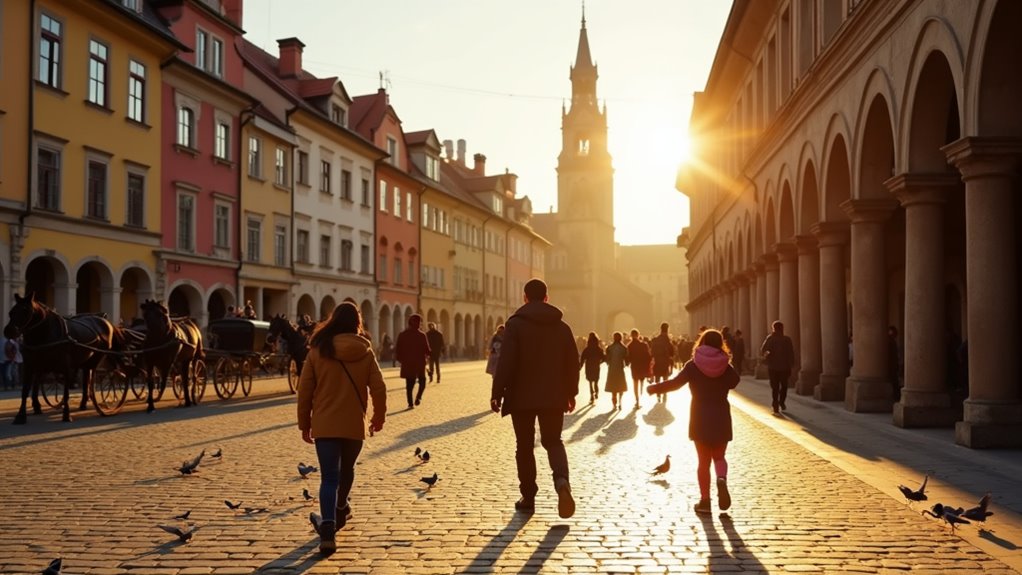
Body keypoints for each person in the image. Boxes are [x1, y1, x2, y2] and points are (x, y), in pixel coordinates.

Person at [296, 302, 387, 555]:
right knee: (346, 471)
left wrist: (305, 423)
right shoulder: (365, 351)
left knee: (329, 478)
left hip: (324, 424)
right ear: (357, 322)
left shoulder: (317, 349)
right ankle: (341, 508)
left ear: (333, 320)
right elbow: (378, 388)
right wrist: (378, 416)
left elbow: (305, 391)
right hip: (353, 425)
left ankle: (328, 527)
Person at [490, 278, 579, 518]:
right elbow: (573, 362)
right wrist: (571, 392)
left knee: (525, 446)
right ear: (547, 298)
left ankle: (528, 496)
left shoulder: (515, 325)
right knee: (553, 441)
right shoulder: (562, 327)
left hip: (521, 396)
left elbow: (506, 362)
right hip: (553, 395)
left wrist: (497, 393)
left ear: (525, 297)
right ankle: (561, 482)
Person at [647, 328, 740, 515]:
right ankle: (721, 478)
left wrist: (655, 388)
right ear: (720, 343)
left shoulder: (693, 365)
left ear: (702, 342)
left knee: (703, 462)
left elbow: (675, 383)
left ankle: (705, 502)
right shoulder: (725, 365)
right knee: (719, 457)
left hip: (700, 416)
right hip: (721, 415)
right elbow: (735, 381)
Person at [395, 314, 431, 409]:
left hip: (408, 363)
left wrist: (401, 360)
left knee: (409, 384)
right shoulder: (421, 335)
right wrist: (430, 354)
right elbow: (427, 350)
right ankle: (418, 397)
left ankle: (410, 404)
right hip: (419, 363)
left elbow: (398, 350)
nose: (419, 324)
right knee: (422, 381)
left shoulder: (402, 335)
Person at [760, 320, 795, 414]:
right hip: (785, 367)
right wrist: (792, 364)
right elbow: (791, 353)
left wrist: (767, 356)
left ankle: (775, 404)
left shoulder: (770, 339)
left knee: (775, 387)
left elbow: (763, 350)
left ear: (773, 328)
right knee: (784, 386)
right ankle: (782, 402)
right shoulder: (787, 339)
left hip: (773, 367)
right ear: (782, 328)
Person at [650, 322, 675, 403]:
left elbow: (652, 352)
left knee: (657, 377)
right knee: (665, 378)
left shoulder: (656, 339)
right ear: (667, 329)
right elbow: (672, 353)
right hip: (665, 361)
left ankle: (658, 393)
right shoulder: (668, 340)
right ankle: (664, 392)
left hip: (657, 361)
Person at [626, 329, 651, 409]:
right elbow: (648, 356)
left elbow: (628, 358)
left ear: (631, 335)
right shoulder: (644, 345)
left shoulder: (629, 346)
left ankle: (637, 400)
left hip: (634, 366)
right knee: (641, 380)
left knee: (635, 383)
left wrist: (627, 363)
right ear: (638, 335)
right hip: (642, 366)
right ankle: (641, 394)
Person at [579, 332, 606, 404]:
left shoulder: (587, 349)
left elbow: (583, 357)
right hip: (596, 365)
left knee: (590, 381)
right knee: (596, 380)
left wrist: (581, 366)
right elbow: (603, 357)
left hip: (589, 365)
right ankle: (596, 392)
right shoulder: (598, 349)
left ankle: (591, 395)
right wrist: (600, 362)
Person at [604, 332, 629, 409]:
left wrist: (609, 362)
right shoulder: (624, 348)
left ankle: (614, 402)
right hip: (620, 369)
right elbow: (627, 359)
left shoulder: (609, 348)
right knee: (620, 386)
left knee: (613, 387)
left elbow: (607, 359)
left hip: (612, 369)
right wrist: (626, 364)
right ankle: (620, 401)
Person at [888, 325, 902, 401]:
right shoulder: (891, 342)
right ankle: (896, 397)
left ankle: (896, 397)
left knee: (895, 382)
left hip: (893, 366)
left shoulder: (892, 341)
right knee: (894, 382)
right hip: (891, 366)